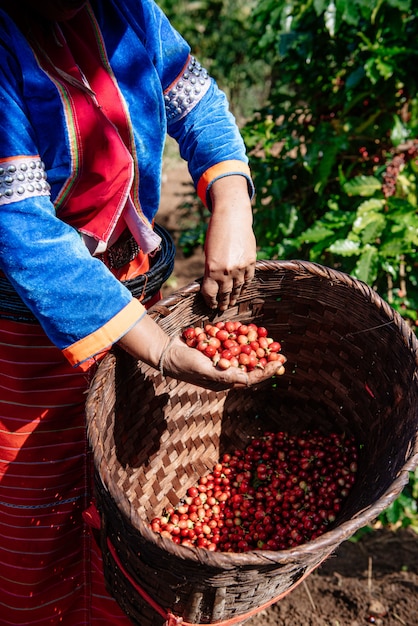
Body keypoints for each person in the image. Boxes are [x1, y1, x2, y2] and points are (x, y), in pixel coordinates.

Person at [0, 1, 278, 623]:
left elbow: (196, 102)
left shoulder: (131, 12)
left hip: (132, 298)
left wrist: (232, 201)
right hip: (25, 336)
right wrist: (159, 347)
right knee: (33, 512)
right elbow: (20, 229)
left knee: (130, 499)